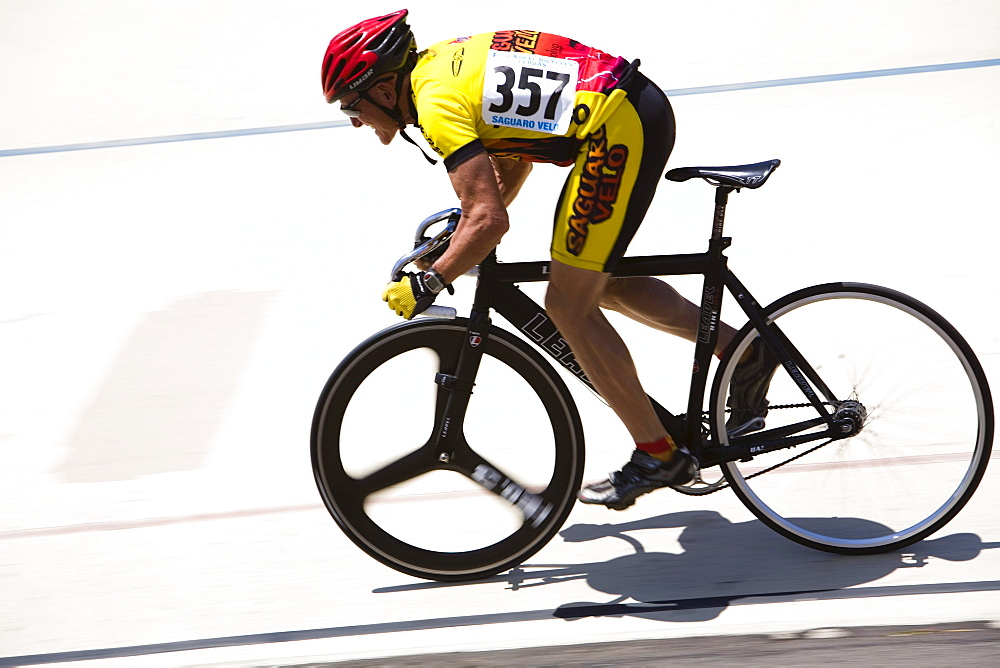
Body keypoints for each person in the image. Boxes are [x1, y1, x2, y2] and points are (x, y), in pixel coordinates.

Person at [321, 9, 777, 511]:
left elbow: (489, 220)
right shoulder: (434, 71)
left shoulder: (433, 103)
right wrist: (465, 226)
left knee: (566, 305)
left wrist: (431, 280)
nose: (354, 119)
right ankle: (745, 352)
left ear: (385, 90)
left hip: (618, 126)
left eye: (351, 104)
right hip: (629, 110)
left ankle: (659, 454)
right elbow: (511, 157)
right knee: (596, 283)